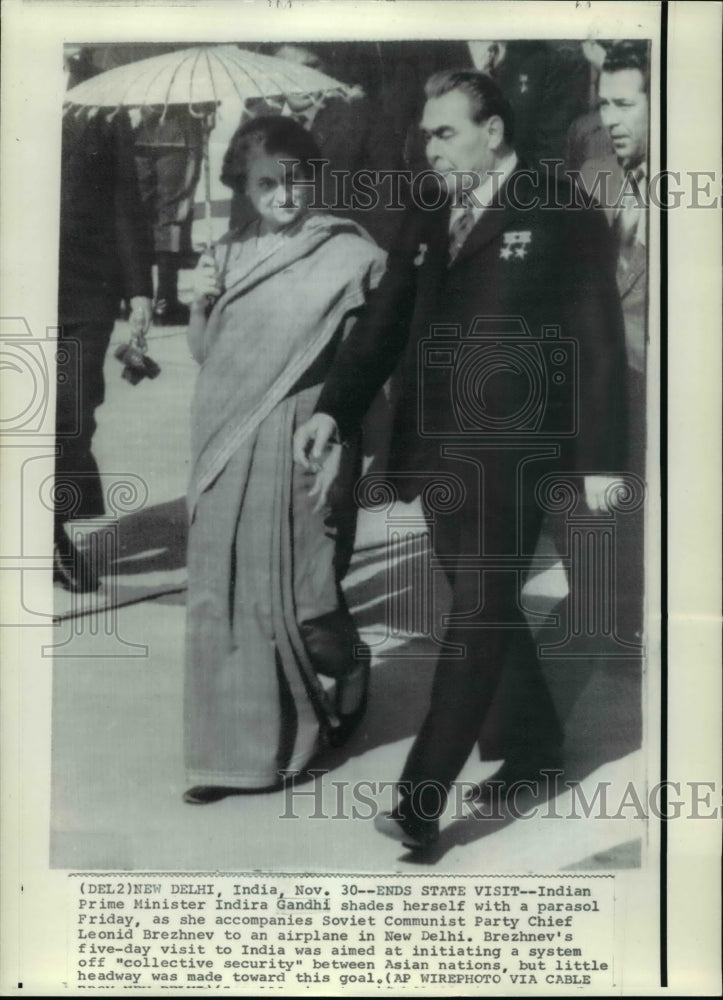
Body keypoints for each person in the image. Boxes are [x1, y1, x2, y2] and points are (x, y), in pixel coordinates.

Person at [294, 70, 628, 848]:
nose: (427, 147)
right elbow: (384, 319)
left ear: (493, 132)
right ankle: (538, 746)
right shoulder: (429, 203)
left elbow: (597, 337)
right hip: (434, 448)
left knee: (477, 608)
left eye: (444, 132)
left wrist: (603, 460)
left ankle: (421, 797)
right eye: (425, 132)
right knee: (485, 604)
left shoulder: (559, 208)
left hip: (518, 450)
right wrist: (333, 409)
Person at [182, 116, 386, 804]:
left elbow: (369, 364)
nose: (284, 192)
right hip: (225, 443)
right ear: (242, 184)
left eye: (297, 176)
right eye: (267, 181)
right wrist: (202, 303)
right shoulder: (228, 252)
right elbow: (210, 358)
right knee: (223, 596)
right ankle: (234, 756)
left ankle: (350, 667)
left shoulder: (347, 254)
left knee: (305, 599)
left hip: (308, 438)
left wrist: (347, 446)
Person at [55, 47, 153, 592]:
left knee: (72, 413)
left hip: (86, 289)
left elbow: (124, 197)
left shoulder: (104, 97)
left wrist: (139, 289)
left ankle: (49, 530)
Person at [578, 41, 649, 641]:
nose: (609, 119)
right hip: (605, 379)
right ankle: (615, 630)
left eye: (625, 104)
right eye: (605, 104)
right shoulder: (594, 176)